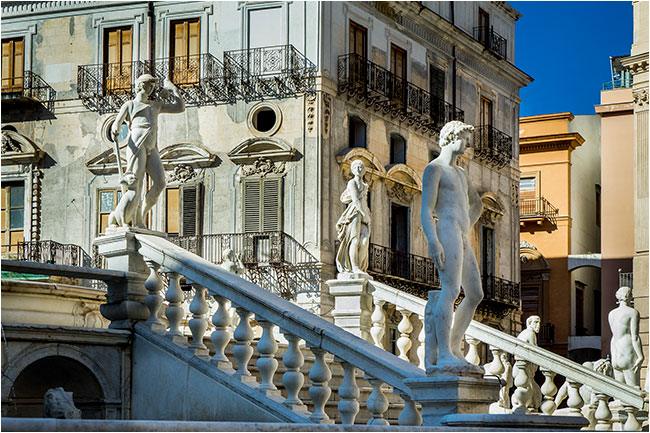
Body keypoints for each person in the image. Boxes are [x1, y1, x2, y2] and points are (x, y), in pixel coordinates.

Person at [421, 120, 483, 368]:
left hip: (461, 232)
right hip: (445, 229)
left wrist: (467, 224)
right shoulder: (434, 169)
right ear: (452, 137)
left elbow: (476, 204)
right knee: (451, 291)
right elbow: (426, 209)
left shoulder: (461, 173)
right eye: (465, 138)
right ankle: (444, 352)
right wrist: (433, 241)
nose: (467, 144)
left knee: (475, 293)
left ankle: (455, 347)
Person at [109, 73, 185, 228]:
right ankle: (135, 220)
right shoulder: (129, 105)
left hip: (152, 146)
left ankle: (141, 215)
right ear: (140, 86)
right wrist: (115, 128)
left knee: (161, 182)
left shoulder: (155, 105)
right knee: (136, 184)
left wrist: (172, 89)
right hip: (137, 144)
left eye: (153, 86)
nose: (152, 89)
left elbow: (180, 107)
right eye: (149, 85)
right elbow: (117, 122)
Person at [335, 159, 371, 275]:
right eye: (356, 167)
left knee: (364, 241)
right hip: (355, 213)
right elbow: (355, 200)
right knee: (354, 240)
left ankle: (360, 267)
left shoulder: (365, 185)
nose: (358, 169)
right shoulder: (352, 183)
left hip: (365, 214)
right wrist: (363, 214)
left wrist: (367, 215)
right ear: (352, 170)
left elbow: (364, 202)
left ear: (364, 170)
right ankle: (354, 267)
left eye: (361, 167)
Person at [608, 286, 644, 387]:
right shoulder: (632, 313)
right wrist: (640, 356)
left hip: (615, 352)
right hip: (628, 351)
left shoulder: (611, 314)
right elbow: (635, 337)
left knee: (620, 392)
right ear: (629, 296)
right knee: (634, 391)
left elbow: (614, 335)